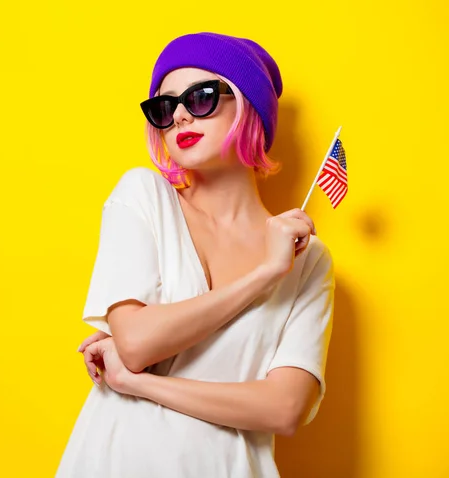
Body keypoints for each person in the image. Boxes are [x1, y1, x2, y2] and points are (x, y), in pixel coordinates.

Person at [55, 32, 335, 478]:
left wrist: (139, 384)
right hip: (117, 462)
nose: (181, 115)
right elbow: (136, 342)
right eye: (164, 108)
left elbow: (284, 408)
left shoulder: (309, 258)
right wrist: (264, 275)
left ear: (250, 107)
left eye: (201, 97)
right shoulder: (143, 197)